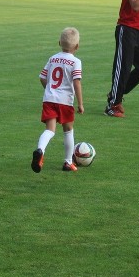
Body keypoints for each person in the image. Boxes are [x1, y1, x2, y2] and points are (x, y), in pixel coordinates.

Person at [32, 27, 85, 173]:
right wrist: (80, 103)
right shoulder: (75, 62)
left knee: (50, 130)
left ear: (59, 42)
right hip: (65, 101)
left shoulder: (53, 58)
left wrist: (49, 90)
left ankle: (40, 150)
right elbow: (77, 82)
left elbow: (42, 77)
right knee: (68, 130)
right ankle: (68, 162)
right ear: (77, 46)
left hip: (49, 99)